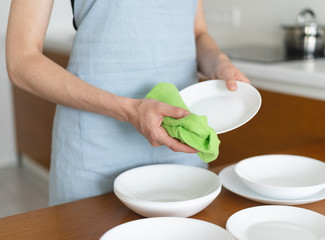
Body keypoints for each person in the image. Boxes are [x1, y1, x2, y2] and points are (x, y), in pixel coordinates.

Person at [6, 0, 250, 205]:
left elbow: (196, 32)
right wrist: (129, 110)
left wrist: (218, 62)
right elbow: (21, 60)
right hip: (96, 146)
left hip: (179, 140)